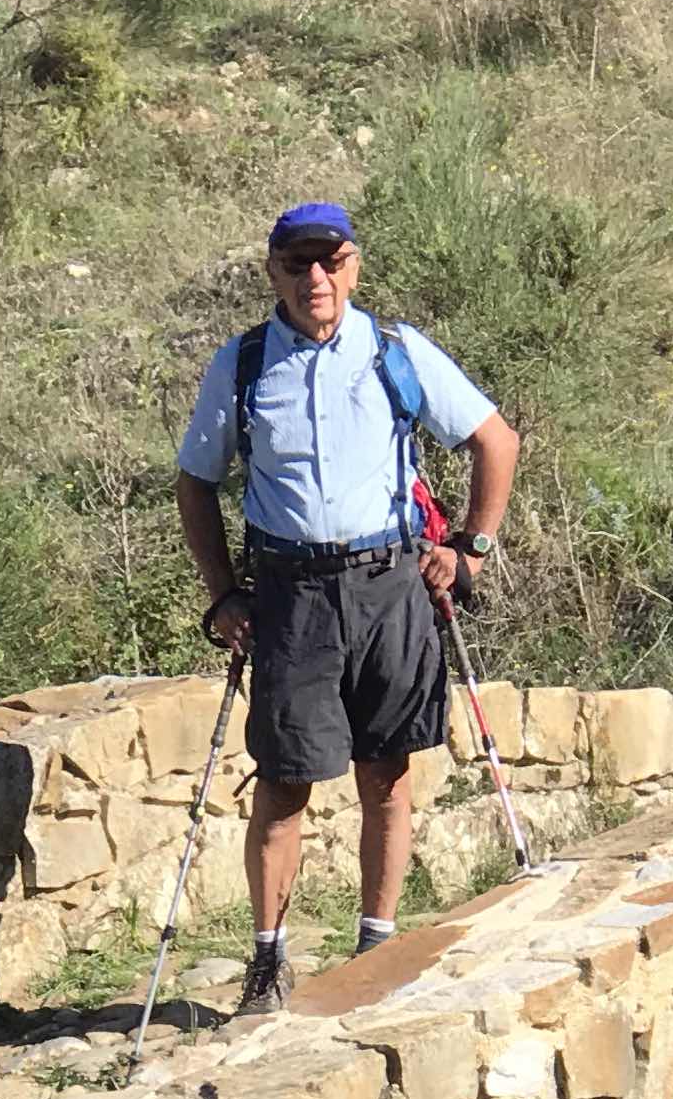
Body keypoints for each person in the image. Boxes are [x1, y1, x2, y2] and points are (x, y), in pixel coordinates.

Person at [174, 200, 519, 1019]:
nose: (316, 279)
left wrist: (470, 548)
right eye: (298, 264)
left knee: (388, 771)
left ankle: (380, 942)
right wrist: (222, 594)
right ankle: (268, 961)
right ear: (275, 273)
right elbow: (197, 480)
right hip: (292, 594)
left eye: (330, 261)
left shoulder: (395, 351)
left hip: (391, 583)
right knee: (285, 783)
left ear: (354, 266)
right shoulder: (246, 363)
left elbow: (494, 440)